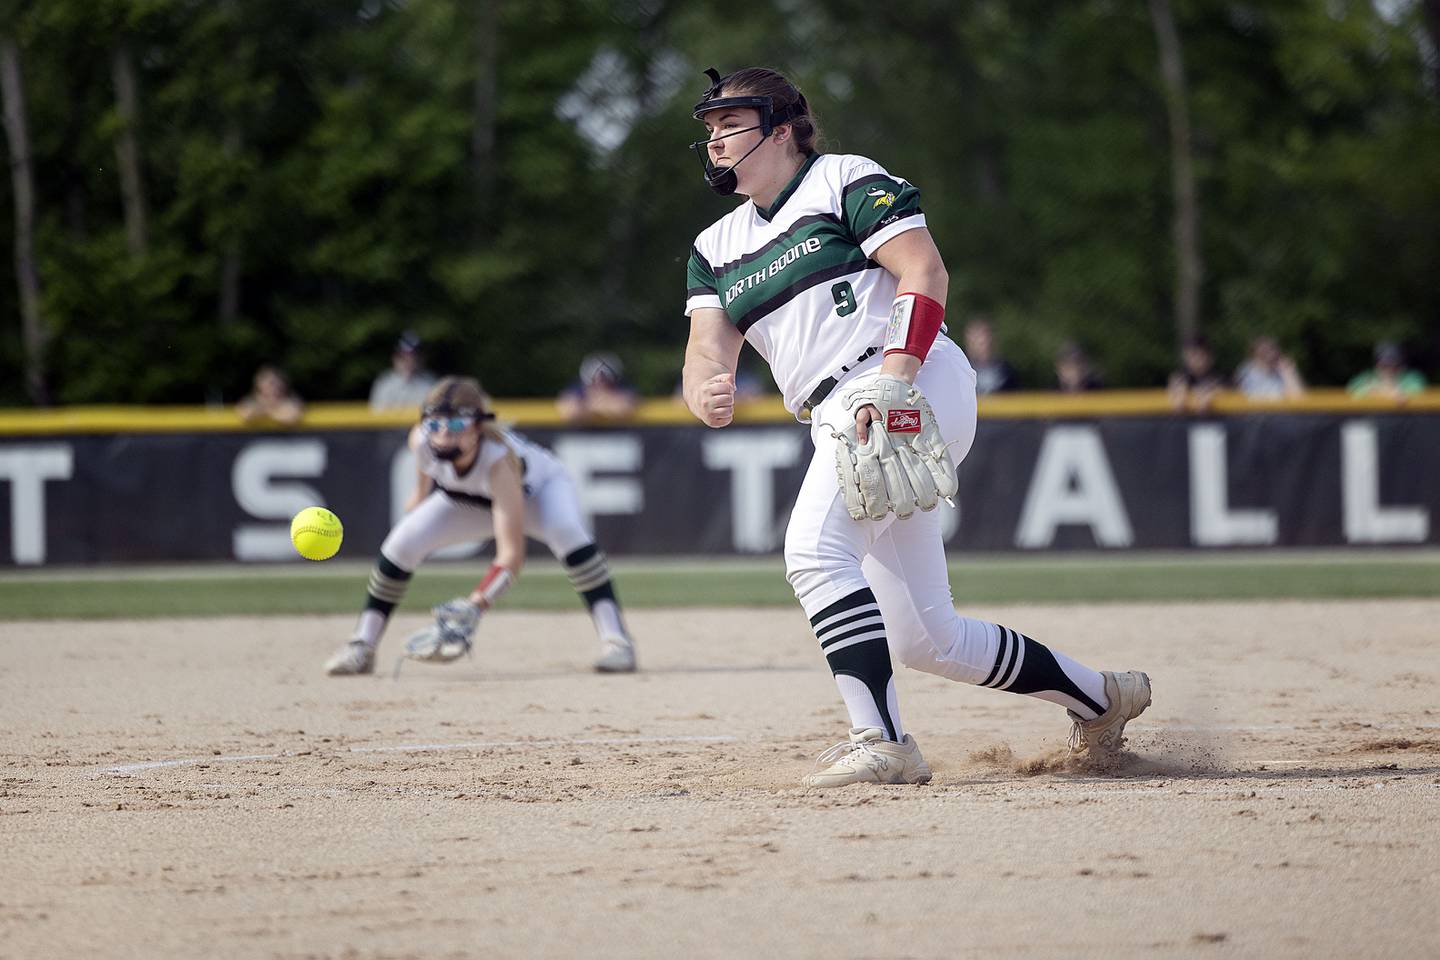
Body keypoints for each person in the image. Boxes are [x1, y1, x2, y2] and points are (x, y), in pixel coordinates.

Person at [680, 66, 1150, 787]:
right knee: (929, 637)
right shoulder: (716, 247)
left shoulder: (842, 178)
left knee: (812, 551)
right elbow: (707, 348)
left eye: (729, 123)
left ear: (780, 128)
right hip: (835, 410)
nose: (714, 139)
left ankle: (884, 740)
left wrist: (893, 382)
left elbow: (924, 273)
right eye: (708, 128)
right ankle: (1103, 698)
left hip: (907, 374)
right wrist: (704, 387)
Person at [324, 376, 637, 676]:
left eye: (457, 424)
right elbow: (422, 483)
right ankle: (362, 644)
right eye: (435, 424)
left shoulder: (499, 460)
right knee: (399, 545)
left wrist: (476, 603)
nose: (444, 434)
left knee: (566, 532)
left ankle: (616, 641)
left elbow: (511, 555)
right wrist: (418, 501)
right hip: (467, 501)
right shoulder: (420, 439)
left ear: (478, 427)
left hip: (535, 495)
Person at [556, 352, 640, 422]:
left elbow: (624, 408)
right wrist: (602, 407)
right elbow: (569, 411)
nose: (600, 383)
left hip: (617, 438)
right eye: (594, 380)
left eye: (606, 380)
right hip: (583, 438)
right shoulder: (577, 390)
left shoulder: (624, 388)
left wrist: (588, 407)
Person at [369, 331, 438, 411]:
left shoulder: (431, 382)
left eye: (414, 356)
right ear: (394, 358)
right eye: (403, 357)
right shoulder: (385, 384)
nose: (409, 361)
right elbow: (377, 417)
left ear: (422, 358)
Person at [1348, 341, 1426, 402]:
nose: (1389, 368)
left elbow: (1416, 393)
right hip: (1372, 418)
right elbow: (1352, 392)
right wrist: (1389, 393)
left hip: (1404, 419)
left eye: (1393, 364)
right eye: (1384, 365)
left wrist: (1379, 390)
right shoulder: (1367, 376)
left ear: (1401, 364)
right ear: (1377, 364)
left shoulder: (1412, 378)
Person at [1234, 336, 1305, 400]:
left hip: (1281, 411)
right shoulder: (1247, 371)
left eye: (1272, 349)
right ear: (1254, 354)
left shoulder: (1281, 372)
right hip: (1255, 412)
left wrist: (1288, 373)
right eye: (1265, 351)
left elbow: (1298, 398)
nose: (1270, 354)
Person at [1167, 335, 1224, 413]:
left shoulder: (1219, 378)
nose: (1196, 359)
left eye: (1200, 355)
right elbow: (1175, 391)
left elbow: (1227, 389)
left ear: (1210, 357)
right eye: (1192, 355)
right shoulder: (1181, 377)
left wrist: (1215, 394)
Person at [963, 317, 1019, 394]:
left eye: (982, 340)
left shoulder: (1007, 374)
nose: (979, 345)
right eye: (974, 339)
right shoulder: (962, 371)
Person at [236, 364, 303, 426]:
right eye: (271, 384)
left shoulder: (291, 400)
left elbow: (291, 417)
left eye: (279, 384)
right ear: (259, 386)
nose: (275, 388)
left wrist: (264, 412)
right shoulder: (252, 401)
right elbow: (245, 414)